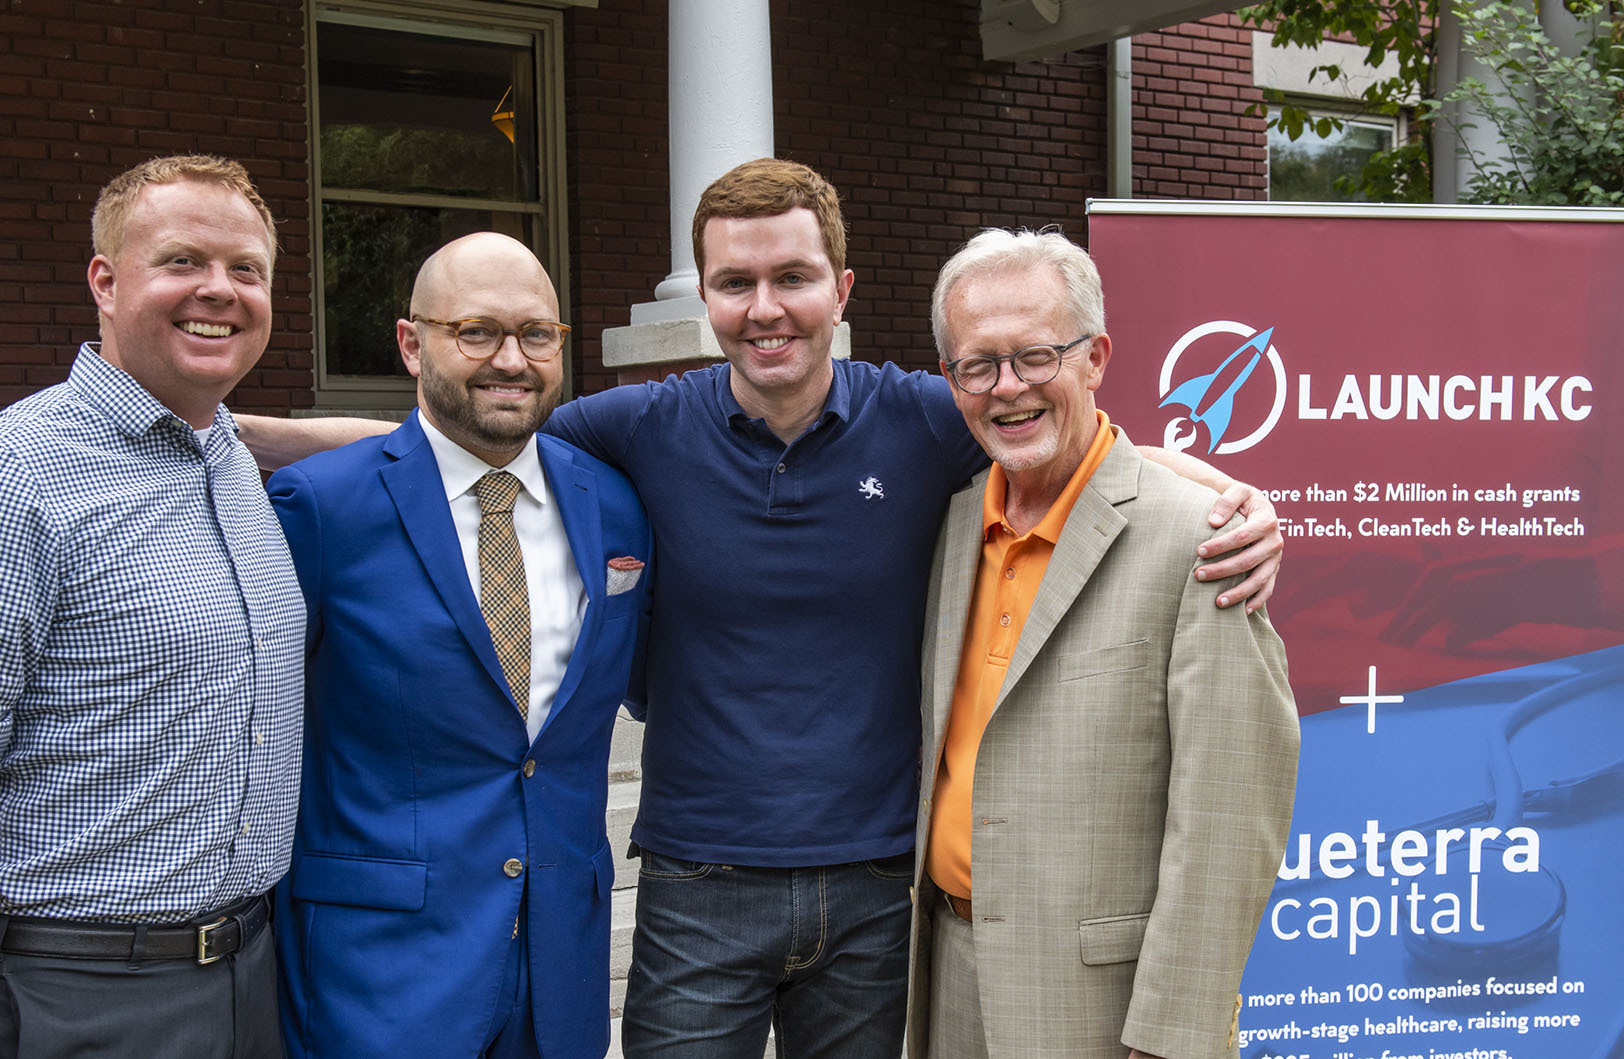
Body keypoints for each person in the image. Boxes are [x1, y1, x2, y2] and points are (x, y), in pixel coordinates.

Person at [237, 158, 1283, 1059]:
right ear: (706, 295)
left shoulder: (928, 417)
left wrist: (1225, 494)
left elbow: (1071, 436)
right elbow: (458, 440)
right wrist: (234, 430)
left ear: (841, 288)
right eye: (735, 282)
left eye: (792, 277)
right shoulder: (640, 428)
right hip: (698, 883)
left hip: (877, 890)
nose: (765, 307)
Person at [908, 228, 1299, 1059]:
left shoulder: (1200, 537)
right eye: (979, 365)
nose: (1008, 387)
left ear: (1095, 358)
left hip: (1103, 1008)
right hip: (948, 979)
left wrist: (1172, 1036)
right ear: (950, 379)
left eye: (1037, 356)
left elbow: (1232, 818)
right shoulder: (951, 524)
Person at [267, 232, 653, 1059]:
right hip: (379, 974)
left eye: (536, 334)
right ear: (412, 344)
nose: (511, 360)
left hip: (561, 967)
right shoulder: (322, 506)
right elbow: (255, 728)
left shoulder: (616, 503)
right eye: (476, 331)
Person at [0, 155, 302, 1057]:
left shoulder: (229, 452)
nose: (220, 290)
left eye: (246, 269)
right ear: (105, 281)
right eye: (182, 261)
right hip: (77, 991)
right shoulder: (20, 475)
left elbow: (398, 444)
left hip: (254, 974)